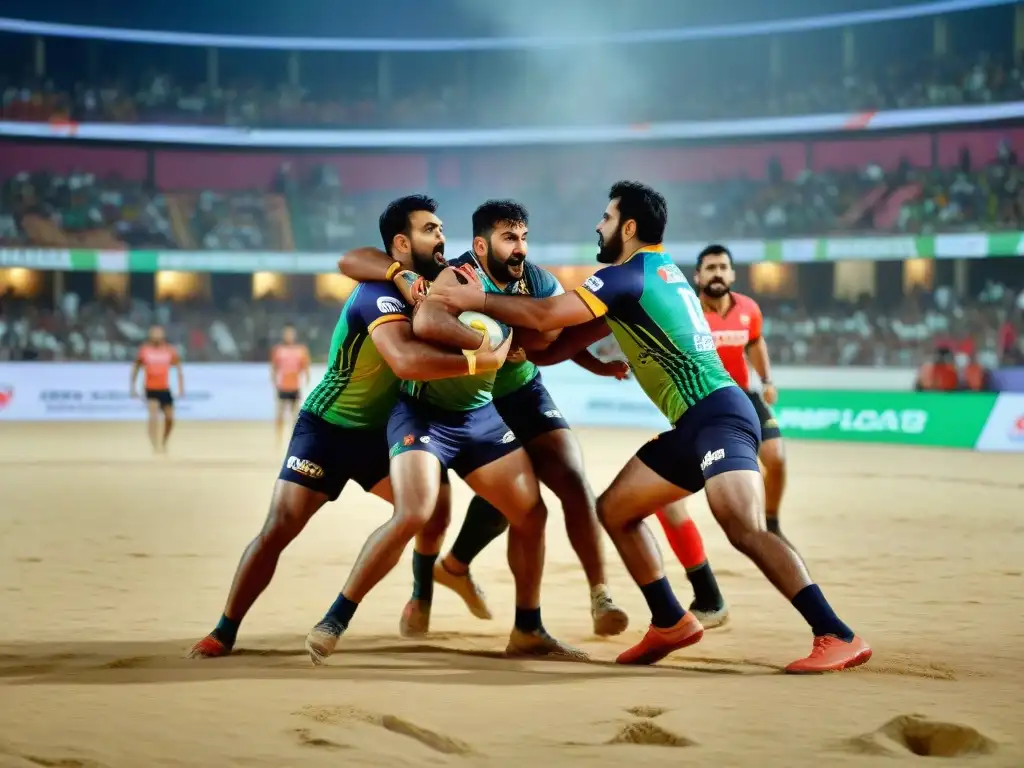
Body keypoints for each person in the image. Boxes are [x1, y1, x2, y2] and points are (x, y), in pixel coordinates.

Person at [429, 181, 872, 674]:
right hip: (693, 424)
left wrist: (481, 302)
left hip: (720, 414)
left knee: (743, 526)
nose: (599, 225)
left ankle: (835, 632)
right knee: (616, 510)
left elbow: (546, 312)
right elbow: (557, 346)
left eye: (607, 217)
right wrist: (509, 346)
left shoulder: (626, 276)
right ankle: (669, 620)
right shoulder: (652, 277)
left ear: (630, 227)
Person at [188, 195, 510, 659]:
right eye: (430, 229)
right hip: (325, 431)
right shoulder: (374, 292)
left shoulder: (426, 285)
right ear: (402, 243)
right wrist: (483, 358)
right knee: (279, 528)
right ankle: (224, 630)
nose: (441, 236)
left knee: (432, 507)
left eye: (442, 228)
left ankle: (420, 597)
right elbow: (404, 359)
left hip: (375, 435)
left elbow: (360, 259)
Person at [304, 204, 586, 665]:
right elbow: (425, 322)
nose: (518, 248)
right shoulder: (453, 276)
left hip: (478, 417)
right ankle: (336, 617)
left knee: (531, 514)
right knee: (416, 511)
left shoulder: (524, 287)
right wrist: (485, 346)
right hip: (421, 414)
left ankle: (528, 629)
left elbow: (548, 334)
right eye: (432, 230)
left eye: (522, 238)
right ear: (480, 245)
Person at [655, 243, 796, 630]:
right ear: (697, 277)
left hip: (745, 397)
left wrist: (766, 379)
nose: (717, 273)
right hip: (701, 403)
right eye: (710, 268)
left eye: (723, 267)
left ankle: (772, 521)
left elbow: (755, 341)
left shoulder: (749, 309)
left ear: (732, 275)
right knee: (674, 499)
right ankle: (707, 587)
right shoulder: (686, 313)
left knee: (778, 459)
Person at [130, 324, 184, 454]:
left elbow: (178, 368)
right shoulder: (144, 350)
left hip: (164, 388)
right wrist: (133, 387)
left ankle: (164, 441)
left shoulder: (169, 350)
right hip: (150, 388)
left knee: (170, 418)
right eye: (154, 334)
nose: (156, 336)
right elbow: (136, 368)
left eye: (158, 333)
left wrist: (181, 386)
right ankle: (155, 446)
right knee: (153, 417)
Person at [270, 324, 311, 443]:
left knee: (295, 415)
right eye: (286, 334)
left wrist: (307, 379)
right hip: (283, 386)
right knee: (280, 414)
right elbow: (274, 367)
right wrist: (274, 381)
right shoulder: (278, 350)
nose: (289, 336)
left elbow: (305, 366)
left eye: (291, 334)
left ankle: (295, 437)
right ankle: (278, 437)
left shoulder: (301, 350)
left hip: (295, 386)